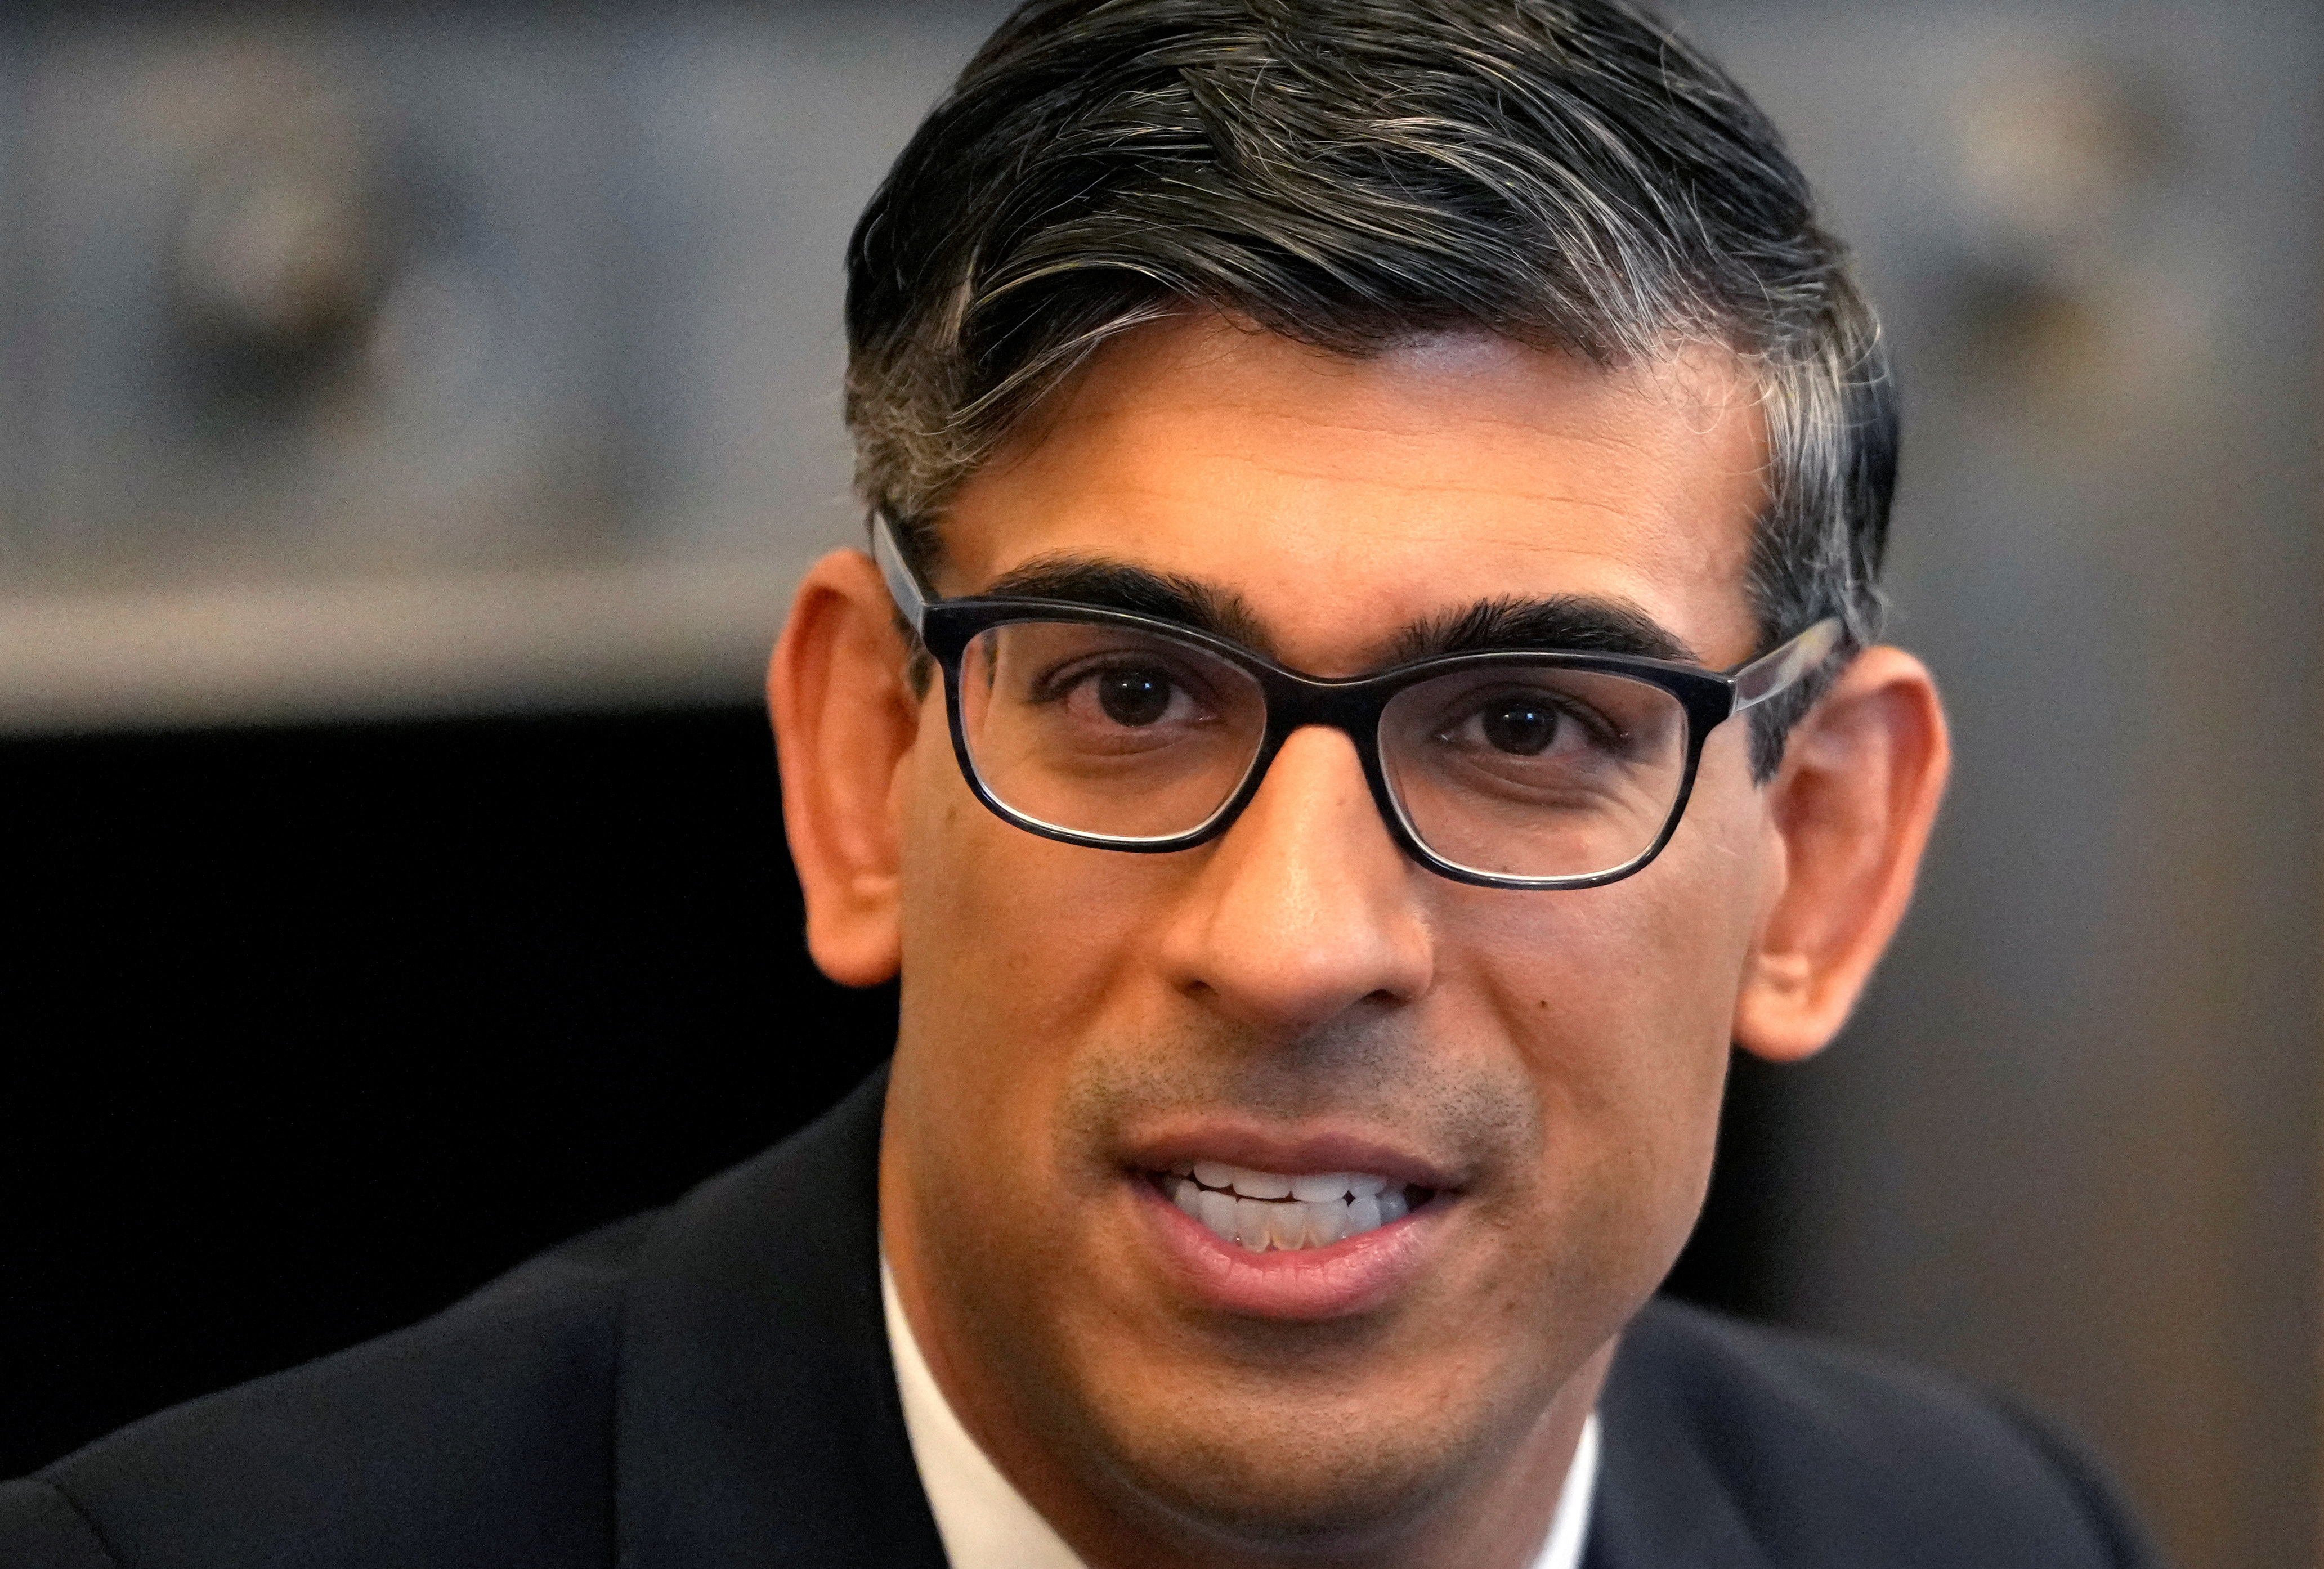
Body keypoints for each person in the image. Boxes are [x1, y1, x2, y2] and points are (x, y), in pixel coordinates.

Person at [1, 2, 2161, 1566]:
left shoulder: (1988, 1532)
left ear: (1821, 861)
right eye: (1132, 693)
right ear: (865, 770)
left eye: (1525, 724)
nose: (1297, 937)